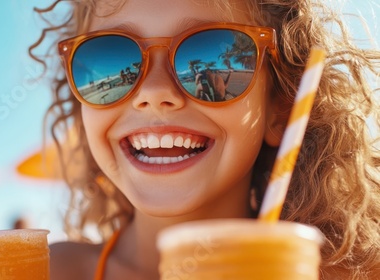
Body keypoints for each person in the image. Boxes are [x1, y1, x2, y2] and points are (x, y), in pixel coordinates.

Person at [30, 0, 380, 279]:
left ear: (280, 108)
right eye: (110, 57)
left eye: (212, 48)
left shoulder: (353, 275)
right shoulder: (41, 272)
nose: (154, 93)